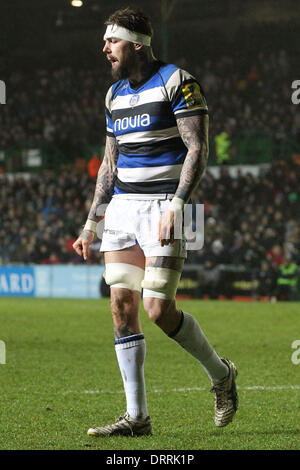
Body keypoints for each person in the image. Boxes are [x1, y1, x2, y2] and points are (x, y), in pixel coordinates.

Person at [73, 6, 238, 437]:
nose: (104, 48)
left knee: (157, 309)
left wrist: (179, 204)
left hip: (167, 205)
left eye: (112, 41)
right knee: (122, 307)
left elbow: (197, 148)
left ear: (137, 43)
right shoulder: (113, 97)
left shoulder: (177, 82)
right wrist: (91, 223)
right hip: (123, 209)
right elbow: (109, 166)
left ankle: (221, 375)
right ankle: (137, 417)